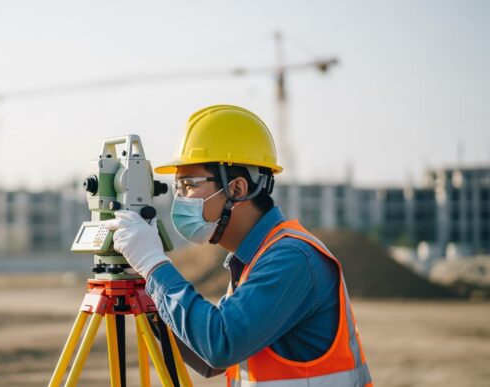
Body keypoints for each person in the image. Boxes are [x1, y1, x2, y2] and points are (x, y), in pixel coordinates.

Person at [104, 105, 372, 386]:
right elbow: (210, 361)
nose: (179, 198)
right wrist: (151, 291)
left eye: (188, 185)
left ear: (237, 189)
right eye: (178, 187)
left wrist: (153, 263)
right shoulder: (252, 260)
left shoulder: (292, 258)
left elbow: (221, 344)